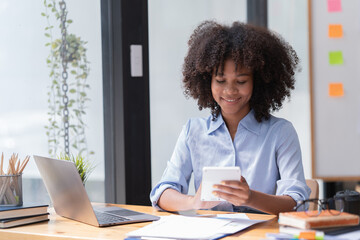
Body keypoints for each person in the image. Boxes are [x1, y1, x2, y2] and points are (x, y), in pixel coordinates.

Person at [150, 20, 310, 215]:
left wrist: (251, 197)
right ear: (206, 81)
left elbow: (297, 203)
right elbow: (162, 193)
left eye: (241, 81)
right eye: (220, 80)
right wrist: (193, 201)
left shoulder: (280, 132)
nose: (230, 90)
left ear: (257, 82)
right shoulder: (193, 131)